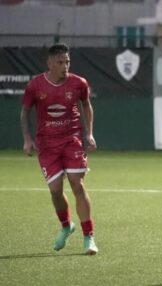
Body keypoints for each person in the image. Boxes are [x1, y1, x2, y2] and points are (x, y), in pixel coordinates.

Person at [20, 43, 98, 255]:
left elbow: (86, 105)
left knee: (77, 184)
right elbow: (25, 112)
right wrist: (27, 139)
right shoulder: (35, 86)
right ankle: (66, 226)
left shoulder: (78, 83)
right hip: (46, 144)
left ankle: (88, 237)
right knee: (55, 190)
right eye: (60, 62)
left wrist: (89, 133)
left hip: (72, 139)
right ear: (50, 63)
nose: (65, 66)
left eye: (67, 61)